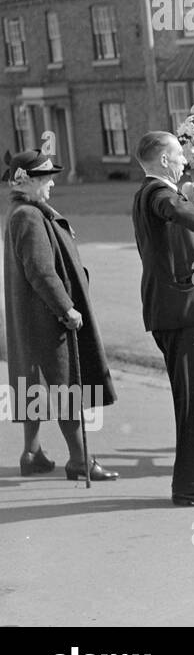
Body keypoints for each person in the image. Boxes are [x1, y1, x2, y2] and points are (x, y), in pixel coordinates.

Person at [131, 132, 194, 507]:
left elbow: (181, 212)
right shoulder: (157, 194)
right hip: (182, 312)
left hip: (184, 309)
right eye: (177, 156)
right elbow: (172, 209)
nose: (182, 162)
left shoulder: (164, 193)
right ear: (163, 161)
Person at [4, 149, 118, 481]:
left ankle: (32, 454)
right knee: (66, 386)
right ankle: (80, 460)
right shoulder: (28, 216)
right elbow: (41, 271)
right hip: (47, 318)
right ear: (27, 182)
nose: (52, 183)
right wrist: (66, 307)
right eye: (46, 178)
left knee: (35, 385)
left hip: (32, 317)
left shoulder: (24, 212)